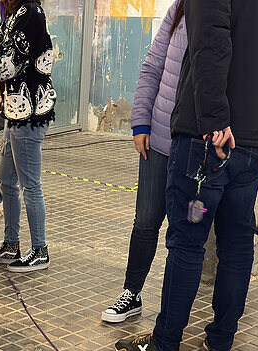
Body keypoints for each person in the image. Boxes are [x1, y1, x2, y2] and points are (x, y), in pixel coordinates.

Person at [115, 0, 258, 351]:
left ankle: (166, 344)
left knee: (188, 243)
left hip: (205, 138)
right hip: (255, 143)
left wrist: (213, 117)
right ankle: (221, 344)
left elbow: (211, 41)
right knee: (237, 244)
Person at [101, 1, 187, 324]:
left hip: (195, 151)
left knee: (186, 233)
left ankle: (173, 314)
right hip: (160, 142)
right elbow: (153, 66)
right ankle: (131, 293)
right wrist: (140, 122)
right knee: (145, 221)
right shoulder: (179, 8)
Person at [0, 0, 56, 273]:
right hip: (15, 112)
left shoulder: (30, 13)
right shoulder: (13, 15)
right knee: (8, 181)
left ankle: (40, 249)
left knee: (30, 184)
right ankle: (11, 243)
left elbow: (5, 67)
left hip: (29, 113)